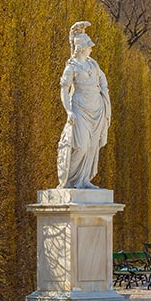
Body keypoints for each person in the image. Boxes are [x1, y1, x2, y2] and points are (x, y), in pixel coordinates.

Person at [56, 22, 111, 189]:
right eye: (88, 46)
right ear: (81, 48)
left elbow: (103, 80)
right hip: (80, 108)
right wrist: (68, 111)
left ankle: (84, 180)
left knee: (92, 147)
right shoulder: (71, 67)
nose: (91, 49)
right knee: (81, 145)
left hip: (97, 109)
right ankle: (70, 181)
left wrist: (103, 96)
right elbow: (64, 90)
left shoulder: (93, 64)